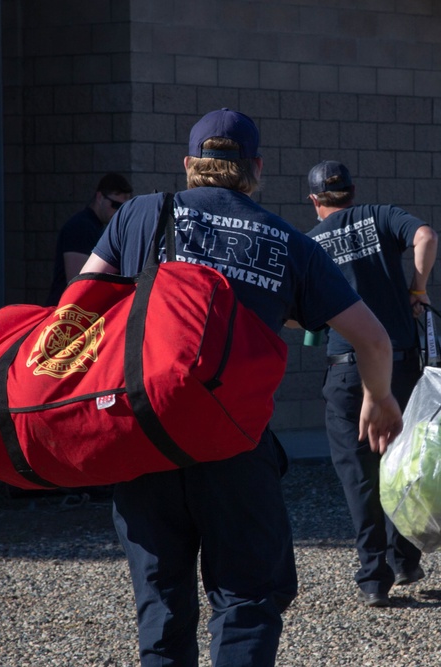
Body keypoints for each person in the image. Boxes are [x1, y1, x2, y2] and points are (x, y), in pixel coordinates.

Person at [80, 110, 403, 666]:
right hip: (232, 444)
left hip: (145, 438)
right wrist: (378, 397)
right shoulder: (289, 243)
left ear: (188, 165)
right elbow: (374, 341)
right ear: (256, 168)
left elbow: (81, 305)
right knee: (247, 598)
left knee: (160, 602)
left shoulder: (139, 214)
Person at [305, 160, 438, 608]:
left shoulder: (310, 243)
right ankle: (405, 559)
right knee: (403, 460)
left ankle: (372, 578)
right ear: (352, 192)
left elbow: (290, 311)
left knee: (358, 473)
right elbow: (427, 236)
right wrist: (417, 288)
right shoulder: (379, 216)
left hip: (346, 368)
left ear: (315, 201)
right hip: (400, 364)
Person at [46, 172, 133, 305]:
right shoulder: (82, 227)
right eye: (116, 205)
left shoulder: (95, 227)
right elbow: (77, 282)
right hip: (68, 313)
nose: (118, 212)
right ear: (100, 197)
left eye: (124, 208)